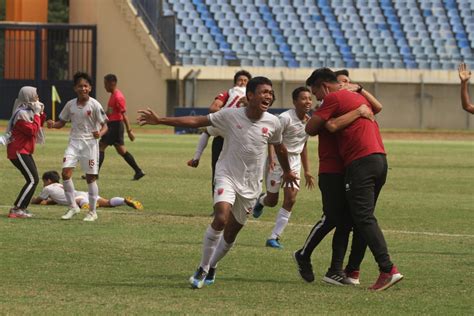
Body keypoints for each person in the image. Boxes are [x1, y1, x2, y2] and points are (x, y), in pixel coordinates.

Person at [138, 76, 298, 289]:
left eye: (270, 92)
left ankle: (212, 265)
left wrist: (287, 171)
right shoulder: (230, 115)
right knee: (221, 218)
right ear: (250, 95)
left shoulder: (274, 122)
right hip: (227, 176)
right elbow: (199, 121)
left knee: (231, 234)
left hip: (251, 186)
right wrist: (160, 121)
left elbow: (280, 148)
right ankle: (203, 267)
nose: (269, 95)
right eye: (264, 92)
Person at [302, 67, 403, 291]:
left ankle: (387, 269)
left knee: (362, 218)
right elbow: (376, 108)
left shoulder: (334, 97)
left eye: (316, 92)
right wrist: (359, 97)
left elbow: (313, 128)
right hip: (379, 159)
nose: (317, 98)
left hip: (360, 162)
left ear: (324, 86)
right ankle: (351, 271)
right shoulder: (356, 97)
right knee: (358, 218)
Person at [252, 87, 315, 249]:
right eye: (303, 98)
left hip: (293, 162)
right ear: (295, 102)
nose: (308, 101)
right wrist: (272, 158)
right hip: (278, 161)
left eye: (309, 98)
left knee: (291, 199)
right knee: (272, 201)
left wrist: (307, 170)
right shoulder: (285, 118)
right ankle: (261, 200)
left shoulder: (308, 121)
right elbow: (273, 139)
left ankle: (274, 237)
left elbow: (304, 145)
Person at [46, 72, 108, 222]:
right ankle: (73, 207)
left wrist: (99, 133)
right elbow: (62, 122)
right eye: (80, 86)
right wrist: (53, 124)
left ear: (90, 88)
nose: (83, 88)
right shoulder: (70, 105)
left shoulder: (94, 105)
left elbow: (106, 125)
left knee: (90, 178)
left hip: (90, 145)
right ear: (75, 88)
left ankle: (92, 212)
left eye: (85, 86)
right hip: (74, 143)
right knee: (66, 174)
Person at [187, 70, 252, 189]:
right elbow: (214, 107)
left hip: (226, 130)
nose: (242, 83)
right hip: (237, 134)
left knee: (207, 131)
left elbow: (213, 108)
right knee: (235, 172)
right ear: (235, 83)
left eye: (245, 81)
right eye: (240, 80)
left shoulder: (229, 92)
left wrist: (224, 116)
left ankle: (196, 157)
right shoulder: (249, 95)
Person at [5, 86, 46, 218]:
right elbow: (32, 130)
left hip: (24, 150)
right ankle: (17, 209)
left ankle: (20, 207)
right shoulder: (21, 113)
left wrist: (40, 113)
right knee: (33, 179)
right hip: (18, 150)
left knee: (33, 179)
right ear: (28, 96)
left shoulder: (28, 110)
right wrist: (37, 114)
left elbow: (39, 125)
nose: (37, 97)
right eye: (35, 95)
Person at [98, 74, 145, 180]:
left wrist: (129, 131)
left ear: (112, 83)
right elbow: (110, 112)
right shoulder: (113, 95)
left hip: (115, 126)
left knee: (101, 146)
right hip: (113, 125)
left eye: (105, 84)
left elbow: (124, 115)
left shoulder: (118, 97)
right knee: (122, 151)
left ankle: (94, 174)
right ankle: (138, 171)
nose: (104, 86)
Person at [32, 170, 143, 210]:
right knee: (108, 203)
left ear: (49, 180)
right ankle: (124, 200)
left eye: (44, 181)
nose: (43, 184)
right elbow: (55, 200)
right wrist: (46, 202)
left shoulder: (48, 188)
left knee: (78, 201)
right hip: (82, 193)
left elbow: (38, 201)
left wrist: (33, 200)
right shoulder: (61, 186)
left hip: (78, 198)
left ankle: (86, 205)